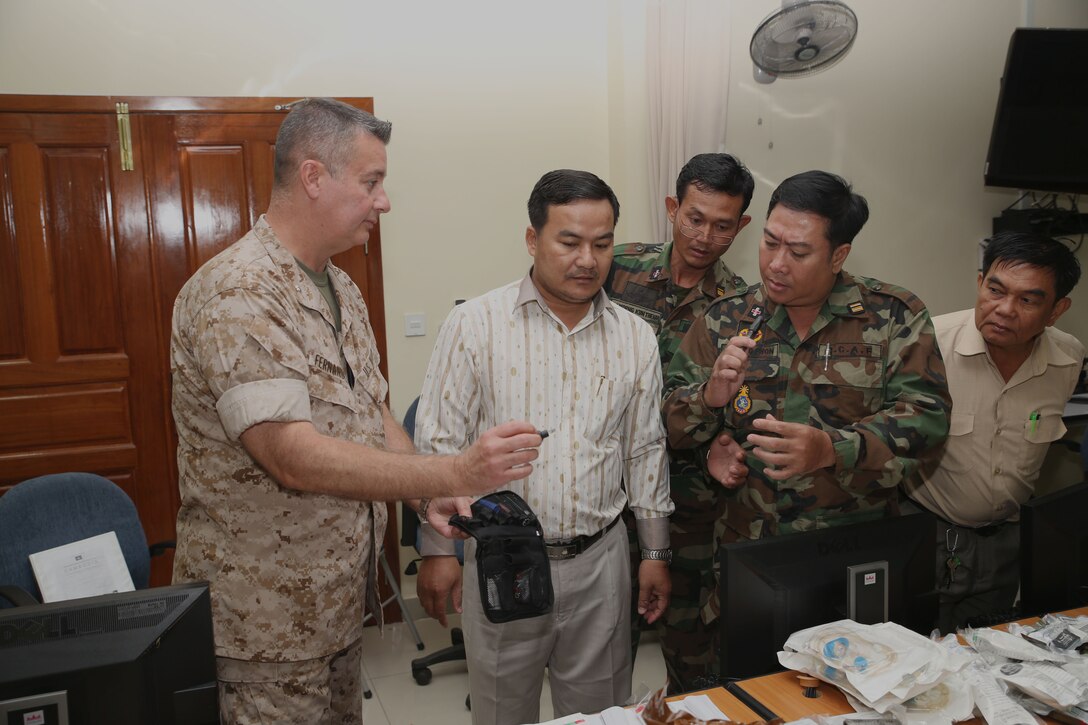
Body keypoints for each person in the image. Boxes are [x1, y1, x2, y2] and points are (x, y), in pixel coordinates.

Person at [170, 98, 542, 725]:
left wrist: (428, 500)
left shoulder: (339, 286)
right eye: (372, 182)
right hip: (264, 629)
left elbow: (373, 414)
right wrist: (453, 473)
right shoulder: (239, 292)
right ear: (314, 177)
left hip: (338, 607)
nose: (384, 201)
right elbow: (290, 456)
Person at [414, 169, 674, 725]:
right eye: (570, 241)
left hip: (602, 562)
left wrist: (654, 552)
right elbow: (438, 446)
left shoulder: (636, 337)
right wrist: (437, 554)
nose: (588, 259)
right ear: (532, 240)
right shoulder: (474, 324)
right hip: (504, 560)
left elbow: (645, 450)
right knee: (504, 713)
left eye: (602, 244)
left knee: (602, 715)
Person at [662, 170, 951, 625]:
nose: (777, 263)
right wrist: (710, 401)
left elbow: (927, 422)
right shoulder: (725, 319)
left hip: (854, 549)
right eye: (770, 242)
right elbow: (669, 423)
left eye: (798, 252)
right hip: (751, 550)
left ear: (839, 255)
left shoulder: (893, 316)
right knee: (751, 683)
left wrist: (830, 449)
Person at [603, 152, 754, 692]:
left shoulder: (743, 307)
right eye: (694, 218)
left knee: (692, 650)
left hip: (688, 505)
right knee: (598, 651)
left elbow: (745, 403)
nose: (705, 236)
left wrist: (726, 443)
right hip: (602, 494)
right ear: (672, 208)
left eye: (722, 225)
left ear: (742, 226)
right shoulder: (616, 266)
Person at [903, 231, 1083, 634]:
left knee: (987, 659)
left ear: (1057, 310)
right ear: (980, 282)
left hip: (1007, 545)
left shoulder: (1068, 358)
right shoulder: (928, 345)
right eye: (995, 290)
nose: (1004, 309)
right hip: (927, 536)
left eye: (1028, 300)